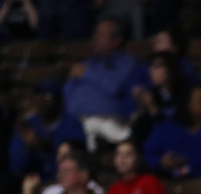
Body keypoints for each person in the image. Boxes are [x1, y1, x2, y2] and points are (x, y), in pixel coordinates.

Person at [63, 17, 146, 149]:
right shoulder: (87, 63)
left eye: (100, 35)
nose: (94, 39)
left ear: (116, 40)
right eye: (94, 34)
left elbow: (114, 87)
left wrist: (86, 73)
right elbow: (68, 90)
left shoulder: (127, 63)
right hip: (75, 122)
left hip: (108, 122)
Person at [9, 81, 88, 181]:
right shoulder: (29, 125)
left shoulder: (71, 124)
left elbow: (78, 160)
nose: (41, 101)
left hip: (64, 181)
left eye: (47, 96)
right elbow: (16, 167)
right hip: (33, 182)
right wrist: (27, 148)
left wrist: (44, 147)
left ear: (58, 100)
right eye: (38, 96)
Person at [130, 52, 190, 145]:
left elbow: (180, 125)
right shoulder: (152, 94)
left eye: (157, 66)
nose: (151, 71)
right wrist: (141, 108)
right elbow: (141, 131)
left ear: (171, 68)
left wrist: (153, 108)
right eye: (151, 66)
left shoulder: (186, 92)